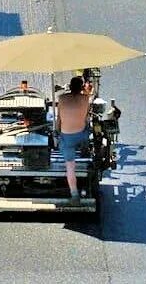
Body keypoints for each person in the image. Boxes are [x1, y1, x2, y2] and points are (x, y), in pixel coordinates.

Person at [55, 75, 91, 205]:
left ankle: (74, 194)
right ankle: (85, 147)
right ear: (81, 87)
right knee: (87, 127)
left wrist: (57, 132)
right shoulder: (86, 99)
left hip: (67, 136)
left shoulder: (61, 98)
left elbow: (59, 119)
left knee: (70, 166)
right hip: (81, 134)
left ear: (69, 87)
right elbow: (87, 117)